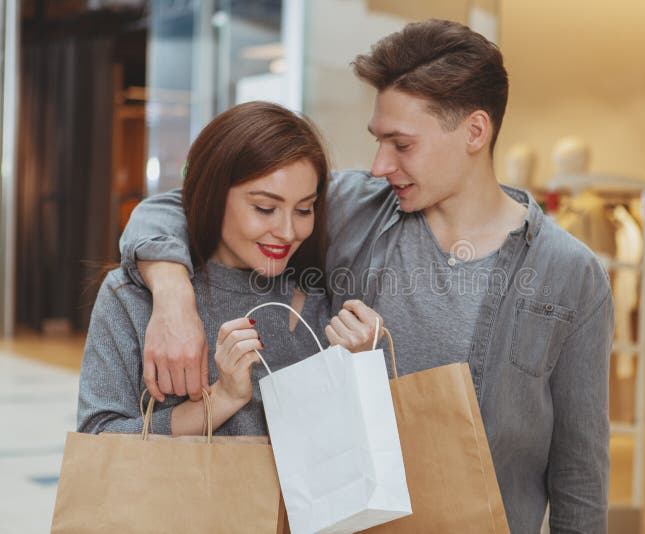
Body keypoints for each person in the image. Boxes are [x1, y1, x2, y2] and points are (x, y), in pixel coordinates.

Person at [118, 20, 614, 533]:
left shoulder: (568, 274)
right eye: (378, 141)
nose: (379, 165)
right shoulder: (354, 209)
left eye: (401, 145)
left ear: (474, 131)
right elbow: (179, 207)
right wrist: (173, 296)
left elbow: (580, 481)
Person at [78, 101, 382, 436]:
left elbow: (334, 450)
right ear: (213, 195)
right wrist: (222, 399)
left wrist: (354, 370)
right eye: (265, 208)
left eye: (304, 209)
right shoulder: (133, 295)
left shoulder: (315, 301)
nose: (287, 231)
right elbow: (99, 438)